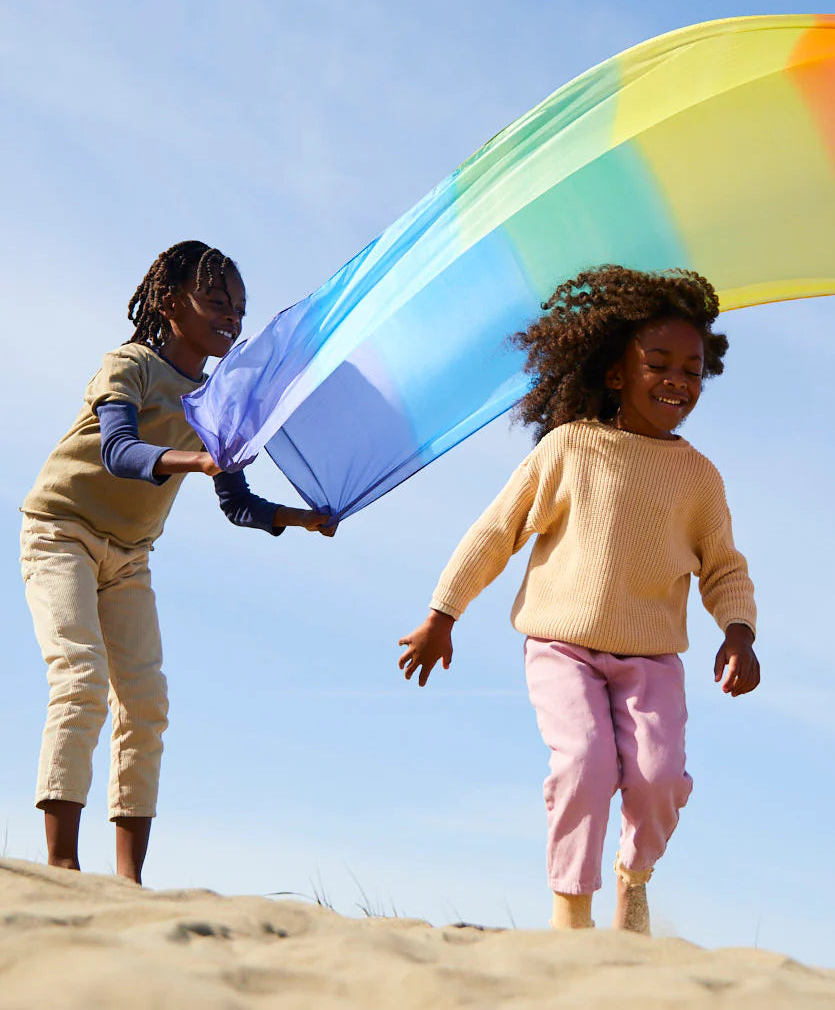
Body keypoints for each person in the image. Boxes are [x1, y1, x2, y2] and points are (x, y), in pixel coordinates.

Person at [397, 264, 759, 934]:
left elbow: (724, 566)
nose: (678, 379)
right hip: (562, 648)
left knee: (656, 781)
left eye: (692, 368)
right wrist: (442, 613)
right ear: (617, 372)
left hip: (652, 660)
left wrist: (738, 631)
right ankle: (572, 913)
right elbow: (496, 532)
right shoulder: (571, 448)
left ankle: (634, 876)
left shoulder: (699, 477)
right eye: (659, 363)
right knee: (585, 763)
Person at [20, 240, 333, 884]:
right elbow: (118, 450)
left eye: (240, 308)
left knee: (146, 702)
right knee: (80, 678)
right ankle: (61, 867)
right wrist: (194, 459)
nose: (232, 317)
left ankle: (129, 880)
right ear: (169, 305)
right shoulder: (130, 364)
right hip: (61, 532)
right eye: (216, 301)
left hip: (129, 558)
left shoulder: (219, 399)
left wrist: (301, 517)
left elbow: (236, 503)